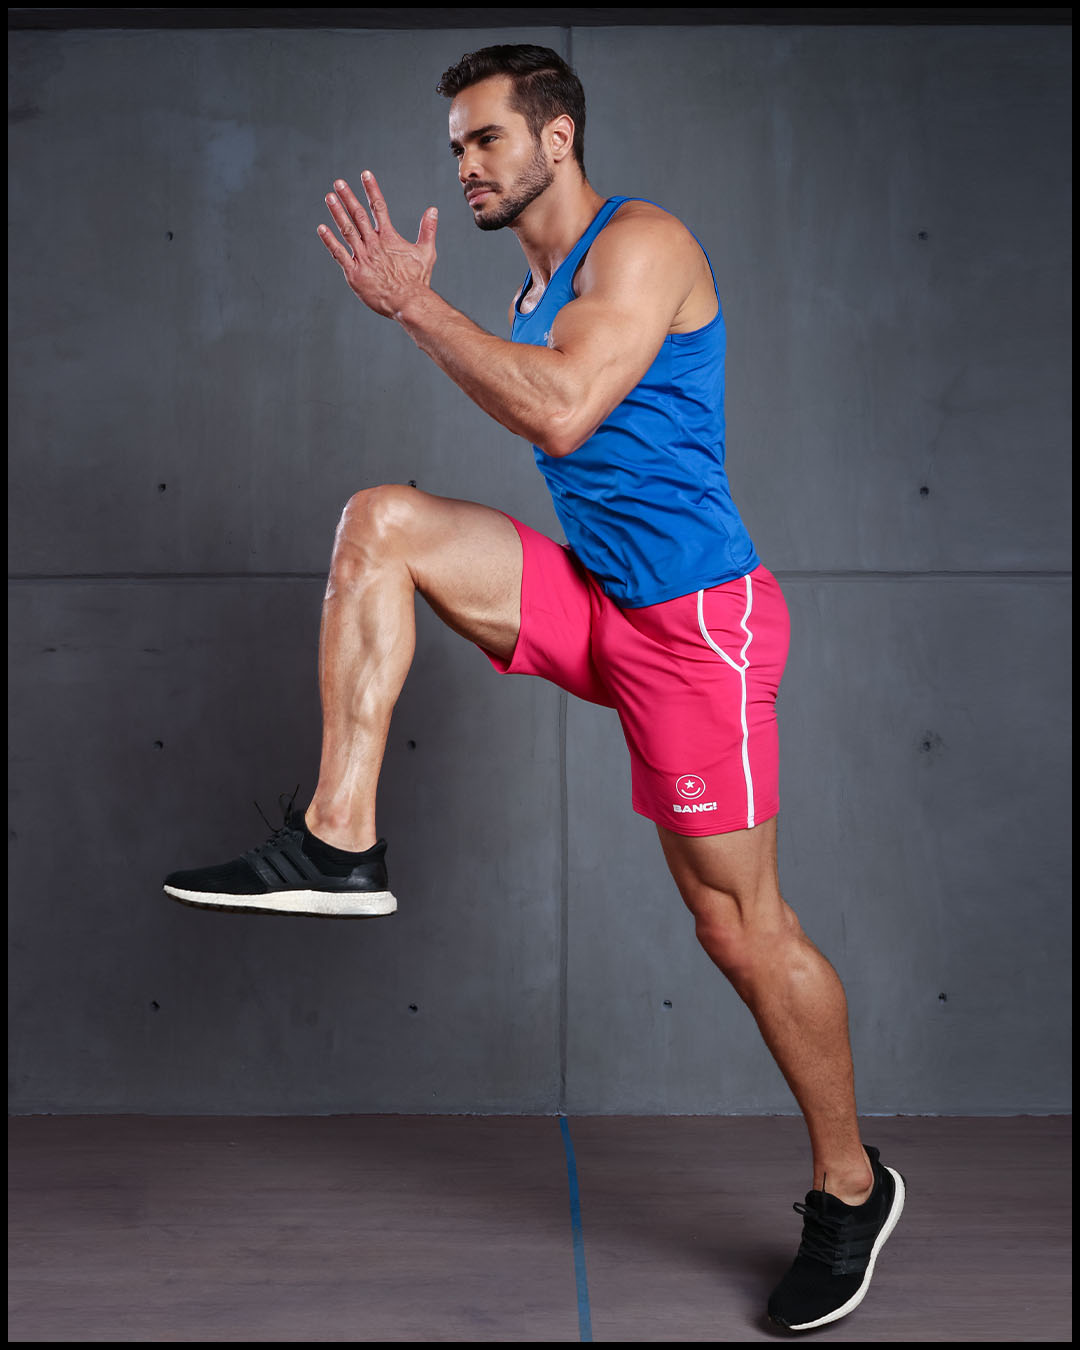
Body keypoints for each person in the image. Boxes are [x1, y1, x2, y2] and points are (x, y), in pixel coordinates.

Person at [163, 43, 905, 1334]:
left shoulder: (645, 245)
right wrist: (439, 311)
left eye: (485, 140)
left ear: (556, 140)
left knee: (738, 928)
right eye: (455, 144)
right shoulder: (529, 281)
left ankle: (852, 1182)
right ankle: (340, 838)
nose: (464, 164)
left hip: (695, 631)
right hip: (600, 598)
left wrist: (412, 307)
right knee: (380, 520)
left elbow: (561, 413)